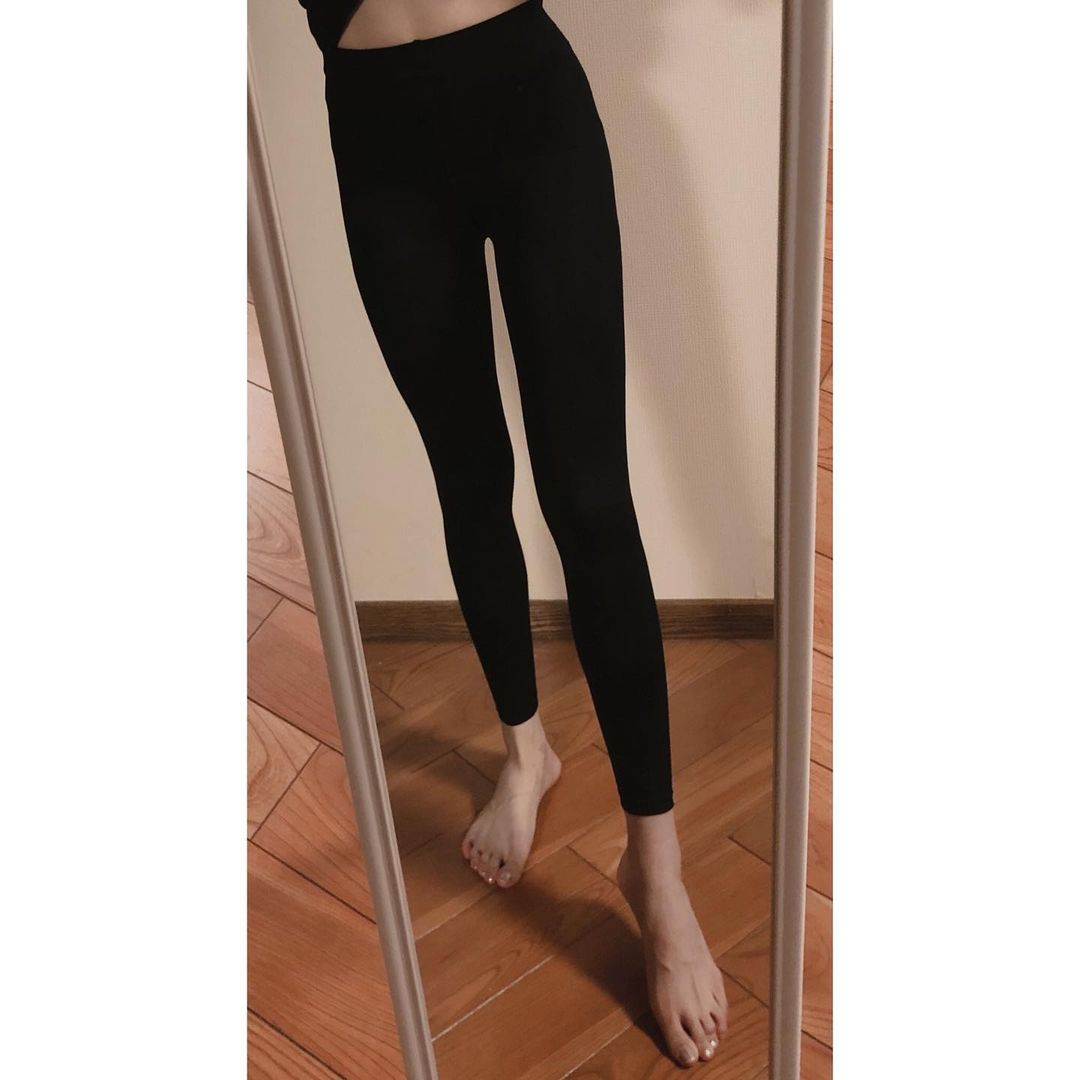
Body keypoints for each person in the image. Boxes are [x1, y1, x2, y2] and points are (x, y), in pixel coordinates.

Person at [297, 0, 729, 1066]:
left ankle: (656, 866)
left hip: (527, 98)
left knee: (589, 500)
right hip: (375, 127)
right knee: (469, 480)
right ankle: (525, 752)